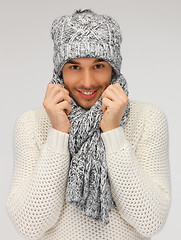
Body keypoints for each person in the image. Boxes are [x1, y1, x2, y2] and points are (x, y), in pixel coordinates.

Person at [6, 8, 171, 240]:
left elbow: (150, 221)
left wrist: (113, 131)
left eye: (98, 66)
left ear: (113, 69)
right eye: (74, 67)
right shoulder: (32, 124)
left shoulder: (148, 119)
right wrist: (58, 133)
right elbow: (30, 224)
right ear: (60, 71)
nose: (87, 82)